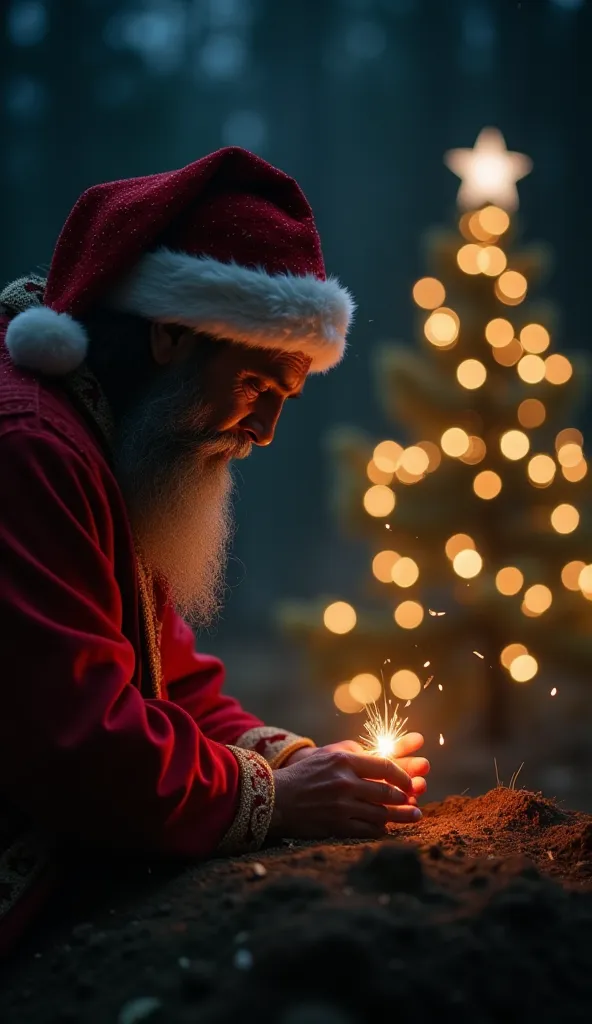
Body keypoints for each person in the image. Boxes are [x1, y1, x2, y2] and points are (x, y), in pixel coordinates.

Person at [0, 147, 429, 953]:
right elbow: (77, 742)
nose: (264, 432)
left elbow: (167, 673)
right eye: (258, 387)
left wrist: (300, 761)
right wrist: (277, 797)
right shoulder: (31, 449)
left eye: (284, 401)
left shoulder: (109, 433)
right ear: (170, 333)